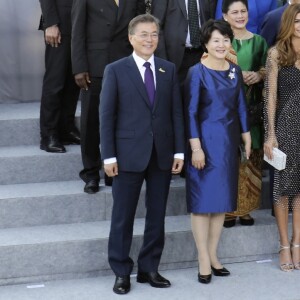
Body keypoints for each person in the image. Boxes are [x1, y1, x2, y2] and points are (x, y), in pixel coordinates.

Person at [100, 14, 185, 294]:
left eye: (154, 34)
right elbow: (106, 116)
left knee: (157, 215)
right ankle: (121, 271)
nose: (150, 40)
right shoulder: (115, 70)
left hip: (161, 154)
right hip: (126, 156)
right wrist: (109, 156)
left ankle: (149, 268)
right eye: (144, 34)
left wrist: (179, 151)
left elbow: (175, 113)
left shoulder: (168, 69)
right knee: (123, 217)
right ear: (131, 38)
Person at [185, 19, 251, 284]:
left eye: (225, 39)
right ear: (206, 44)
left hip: (227, 145)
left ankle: (213, 255)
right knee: (202, 205)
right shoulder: (196, 72)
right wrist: (196, 148)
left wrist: (246, 136)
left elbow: (241, 106)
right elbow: (189, 113)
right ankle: (202, 258)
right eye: (216, 40)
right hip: (203, 144)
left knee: (220, 203)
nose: (221, 44)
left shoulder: (234, 70)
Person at [71, 0, 145, 193]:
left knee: (122, 120)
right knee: (91, 122)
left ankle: (114, 171)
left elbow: (139, 28)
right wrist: (79, 67)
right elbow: (77, 30)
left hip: (125, 64)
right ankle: (91, 174)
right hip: (95, 66)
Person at [221, 0, 268, 227]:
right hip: (226, 110)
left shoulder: (259, 41)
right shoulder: (221, 42)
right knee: (230, 158)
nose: (240, 16)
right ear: (225, 16)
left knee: (252, 157)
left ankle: (247, 209)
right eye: (235, 12)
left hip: (253, 107)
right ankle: (229, 209)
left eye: (243, 11)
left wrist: (259, 75)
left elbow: (267, 67)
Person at [264, 3, 300, 272]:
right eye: (297, 21)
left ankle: (298, 242)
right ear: (289, 22)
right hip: (285, 128)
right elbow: (271, 97)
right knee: (282, 188)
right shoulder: (276, 53)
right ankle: (284, 244)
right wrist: (270, 134)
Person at [39, 0, 80, 153]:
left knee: (74, 81)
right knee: (55, 81)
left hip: (81, 22)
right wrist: (51, 23)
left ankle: (66, 130)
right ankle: (48, 134)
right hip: (59, 23)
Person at [151, 0, 217, 88]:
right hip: (175, 58)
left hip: (203, 56)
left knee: (201, 95)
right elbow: (156, 28)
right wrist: (163, 61)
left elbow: (211, 22)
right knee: (177, 97)